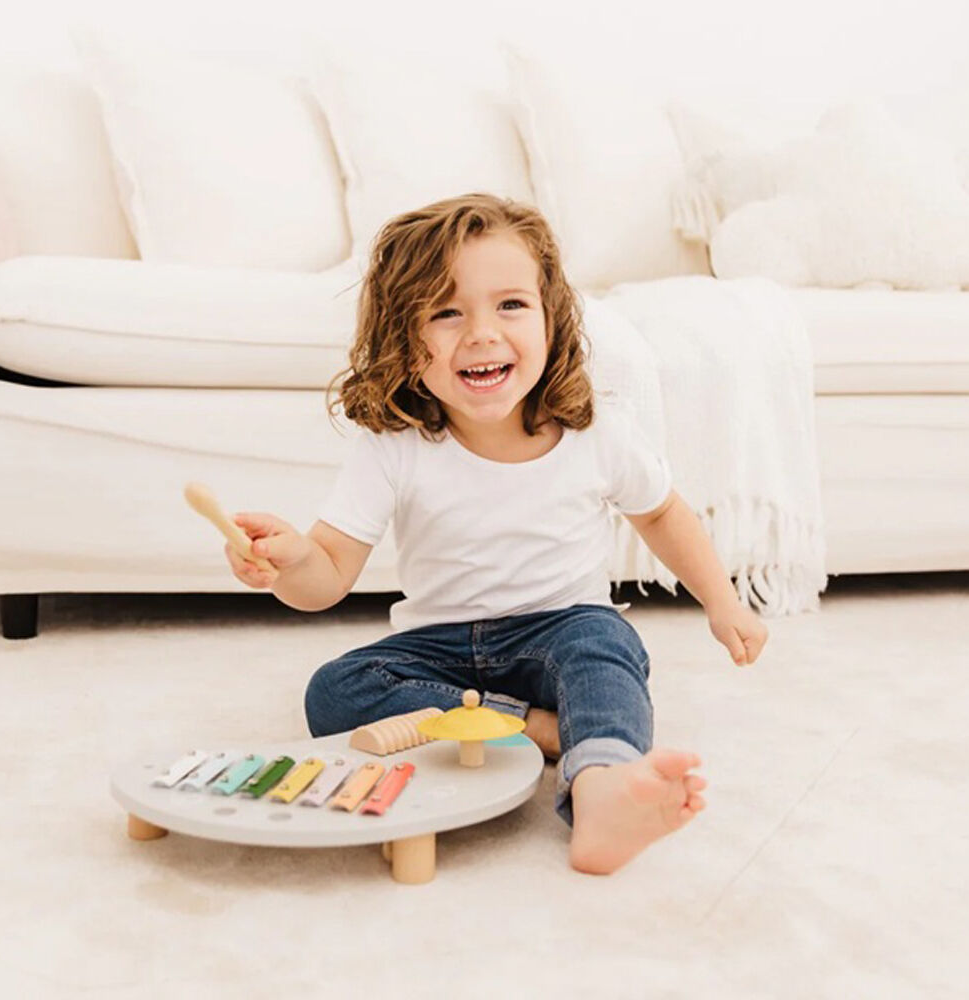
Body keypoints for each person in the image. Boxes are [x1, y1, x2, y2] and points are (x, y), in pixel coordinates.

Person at [224, 192, 768, 875]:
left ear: (551, 318)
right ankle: (538, 728)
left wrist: (722, 601)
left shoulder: (594, 432)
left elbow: (661, 512)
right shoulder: (394, 444)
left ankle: (601, 792)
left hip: (559, 629)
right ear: (403, 337)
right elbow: (326, 576)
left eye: (510, 305)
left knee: (606, 646)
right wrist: (292, 559)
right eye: (446, 312)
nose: (481, 332)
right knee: (336, 689)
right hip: (439, 648)